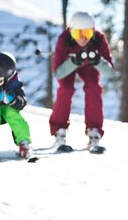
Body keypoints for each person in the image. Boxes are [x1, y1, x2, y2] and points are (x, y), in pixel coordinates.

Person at [49, 11, 114, 150]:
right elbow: (59, 73)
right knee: (66, 89)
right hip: (69, 64)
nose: (82, 39)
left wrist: (98, 60)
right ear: (71, 32)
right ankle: (59, 131)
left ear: (93, 32)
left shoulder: (99, 39)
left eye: (87, 34)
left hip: (89, 66)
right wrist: (74, 61)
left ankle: (94, 131)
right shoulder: (64, 39)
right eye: (78, 34)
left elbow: (110, 71)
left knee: (94, 87)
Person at [0, 52, 32, 160]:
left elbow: (22, 102)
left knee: (15, 117)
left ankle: (24, 143)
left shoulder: (15, 83)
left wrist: (13, 100)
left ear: (7, 77)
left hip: (9, 107)